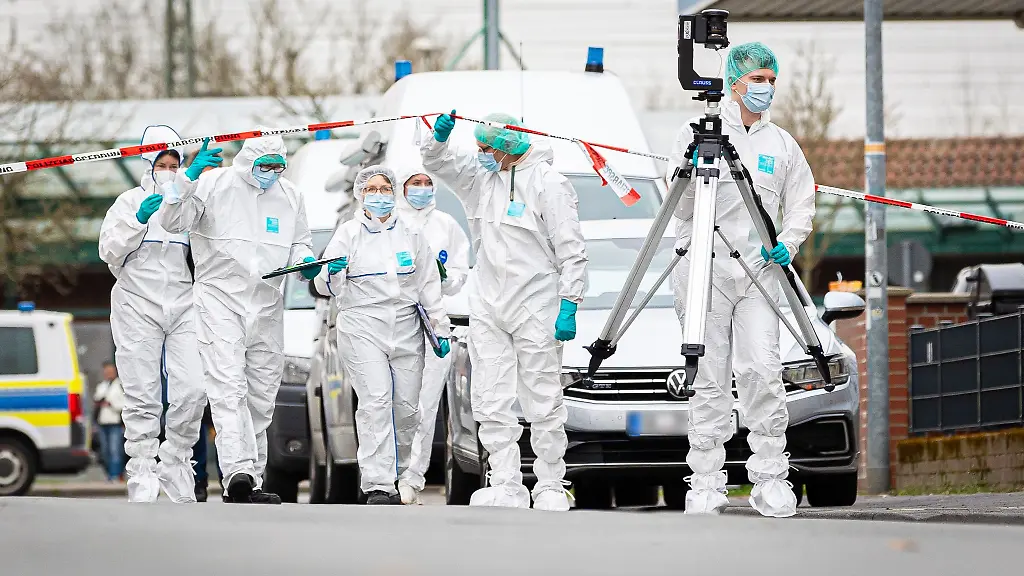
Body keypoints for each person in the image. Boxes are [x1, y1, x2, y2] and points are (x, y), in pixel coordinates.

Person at [667, 42, 816, 518]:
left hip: (760, 273)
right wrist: (689, 173)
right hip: (704, 272)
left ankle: (771, 478)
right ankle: (706, 482)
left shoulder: (782, 143)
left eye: (771, 79)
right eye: (757, 79)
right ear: (735, 82)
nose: (765, 88)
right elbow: (679, 209)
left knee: (761, 373)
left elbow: (801, 204)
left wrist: (788, 244)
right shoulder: (694, 136)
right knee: (708, 379)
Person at [421, 111, 588, 511]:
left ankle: (550, 482)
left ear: (509, 145)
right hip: (489, 301)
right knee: (490, 397)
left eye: (486, 148)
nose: (480, 155)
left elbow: (572, 249)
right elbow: (437, 162)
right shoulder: (483, 178)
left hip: (536, 300)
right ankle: (506, 481)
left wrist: (570, 302)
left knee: (543, 396)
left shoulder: (550, 184)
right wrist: (438, 139)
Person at [159, 132, 317, 504]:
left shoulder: (291, 195)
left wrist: (306, 262)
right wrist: (187, 177)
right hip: (220, 300)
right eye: (265, 167)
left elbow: (300, 242)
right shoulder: (214, 183)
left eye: (278, 167)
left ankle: (253, 477)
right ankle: (237, 473)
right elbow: (171, 219)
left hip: (267, 304)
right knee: (228, 387)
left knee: (262, 395)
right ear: (247, 163)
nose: (271, 173)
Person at [314, 165, 451, 506]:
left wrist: (440, 325)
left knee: (406, 407)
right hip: (362, 325)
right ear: (361, 194)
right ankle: (377, 483)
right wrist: (331, 272)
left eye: (385, 188)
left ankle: (401, 475)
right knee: (375, 401)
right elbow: (323, 286)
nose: (379, 195)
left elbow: (428, 284)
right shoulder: (348, 234)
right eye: (372, 189)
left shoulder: (412, 233)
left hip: (405, 326)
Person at [97, 125, 210, 503]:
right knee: (142, 392)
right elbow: (109, 252)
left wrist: (185, 188)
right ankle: (142, 467)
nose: (169, 169)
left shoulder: (189, 203)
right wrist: (137, 222)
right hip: (136, 303)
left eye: (174, 164)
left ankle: (176, 459)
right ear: (148, 164)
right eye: (161, 163)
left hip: (183, 303)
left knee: (194, 389)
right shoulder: (128, 202)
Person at [392, 163, 470, 505]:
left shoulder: (446, 225)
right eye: (414, 183)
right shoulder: (389, 225)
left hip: (434, 323)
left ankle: (412, 477)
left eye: (426, 182)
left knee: (424, 405)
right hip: (394, 323)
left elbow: (458, 272)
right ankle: (385, 473)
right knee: (392, 402)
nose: (422, 188)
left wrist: (444, 278)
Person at [93, 362, 125, 483]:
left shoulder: (120, 386)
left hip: (115, 423)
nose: (108, 374)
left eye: (110, 371)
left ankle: (116, 475)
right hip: (102, 423)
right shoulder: (101, 386)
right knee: (105, 452)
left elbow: (124, 404)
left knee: (115, 450)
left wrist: (112, 405)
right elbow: (96, 401)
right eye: (106, 371)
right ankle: (109, 474)